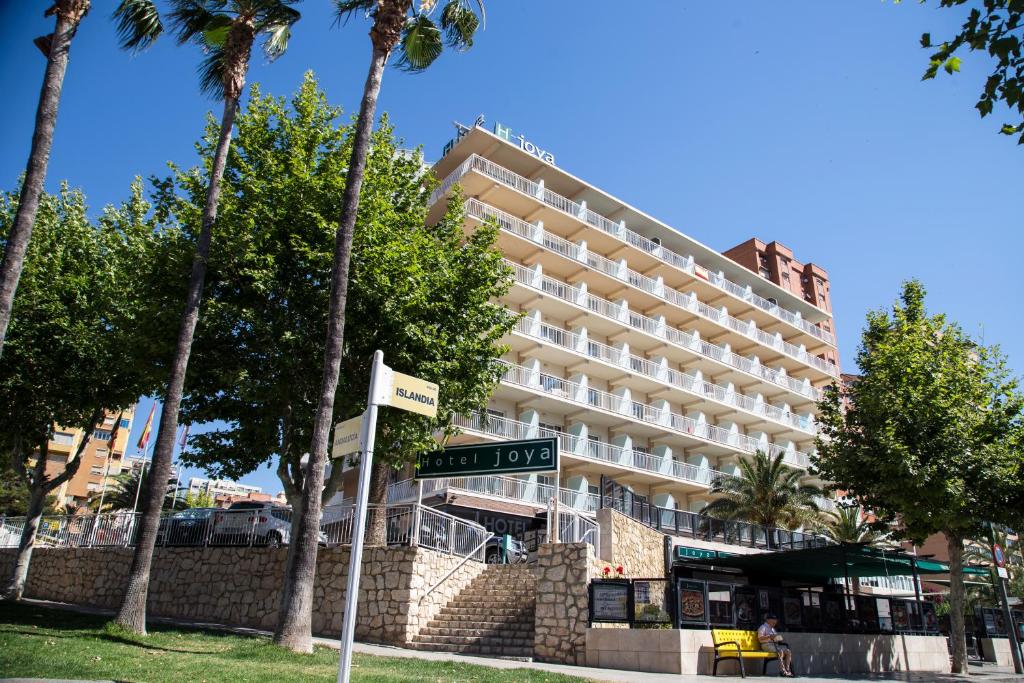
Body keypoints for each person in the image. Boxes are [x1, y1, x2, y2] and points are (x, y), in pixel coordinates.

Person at [757, 612, 795, 677]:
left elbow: (775, 638)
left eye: (776, 620)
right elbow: (760, 639)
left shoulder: (772, 629)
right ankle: (782, 671)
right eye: (773, 619)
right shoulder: (763, 627)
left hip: (774, 645)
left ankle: (788, 670)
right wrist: (769, 636)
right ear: (768, 620)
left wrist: (779, 638)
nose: (775, 621)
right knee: (780, 651)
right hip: (766, 645)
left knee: (788, 651)